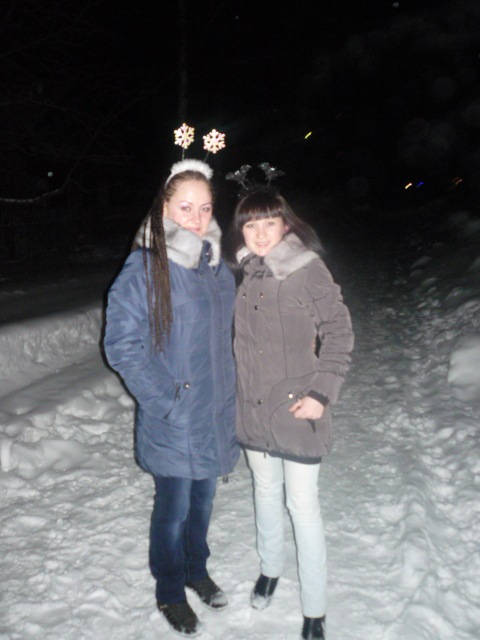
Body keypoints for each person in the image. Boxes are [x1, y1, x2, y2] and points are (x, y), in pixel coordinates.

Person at [104, 159, 239, 638]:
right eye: (185, 207)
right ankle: (169, 590)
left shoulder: (217, 267)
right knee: (174, 509)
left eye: (204, 208)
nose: (196, 218)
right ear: (164, 209)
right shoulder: (146, 267)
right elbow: (121, 345)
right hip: (176, 415)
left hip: (214, 411)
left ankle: (195, 570)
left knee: (203, 503)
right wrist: (165, 400)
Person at [228, 187, 354, 640]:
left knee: (302, 506)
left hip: (297, 410)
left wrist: (322, 393)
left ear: (286, 224)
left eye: (269, 222)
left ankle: (315, 609)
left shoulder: (307, 269)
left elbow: (339, 331)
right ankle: (270, 569)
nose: (260, 233)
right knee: (264, 492)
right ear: (241, 230)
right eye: (251, 224)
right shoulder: (245, 272)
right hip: (253, 410)